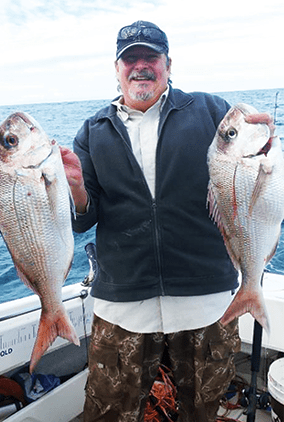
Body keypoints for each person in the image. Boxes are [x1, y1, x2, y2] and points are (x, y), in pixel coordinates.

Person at [61, 20, 274, 422]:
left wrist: (266, 141)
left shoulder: (211, 110)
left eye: (150, 57)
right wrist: (74, 188)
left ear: (168, 64)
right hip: (123, 307)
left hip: (207, 305)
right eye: (131, 58)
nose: (140, 66)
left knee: (203, 413)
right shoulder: (92, 131)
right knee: (108, 414)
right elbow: (84, 219)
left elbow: (254, 167)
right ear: (117, 67)